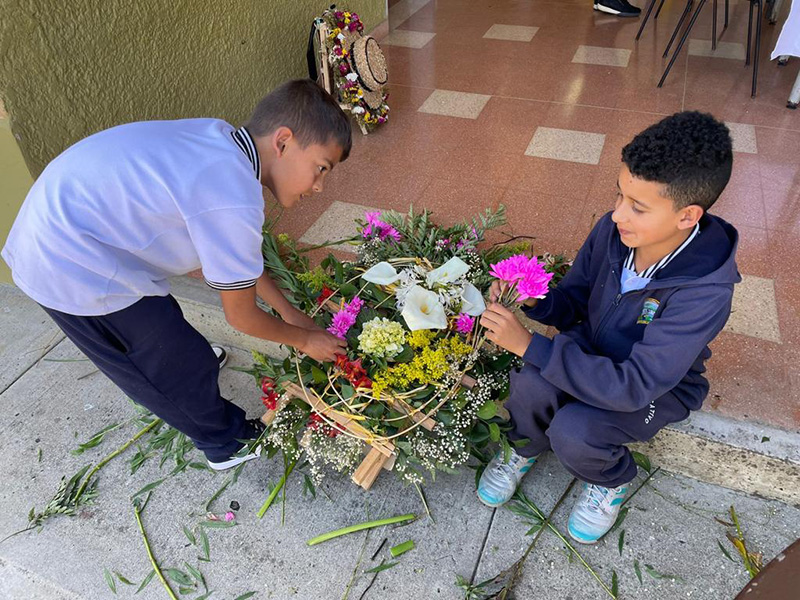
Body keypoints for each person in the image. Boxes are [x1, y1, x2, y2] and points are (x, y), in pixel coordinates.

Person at [1, 79, 349, 471]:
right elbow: (241, 317)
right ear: (283, 141)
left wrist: (288, 312)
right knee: (159, 361)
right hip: (67, 263)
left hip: (75, 228)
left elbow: (239, 262)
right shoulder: (231, 194)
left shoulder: (222, 140)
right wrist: (304, 339)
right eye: (320, 168)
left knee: (172, 342)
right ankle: (224, 442)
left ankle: (188, 369)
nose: (319, 186)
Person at [477, 111, 739, 544]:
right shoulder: (615, 232)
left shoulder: (703, 292)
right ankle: (522, 447)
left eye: (637, 207)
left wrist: (531, 345)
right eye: (619, 196)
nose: (618, 214)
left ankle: (610, 479)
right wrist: (536, 297)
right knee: (529, 385)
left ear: (687, 215)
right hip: (592, 347)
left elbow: (634, 385)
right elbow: (576, 301)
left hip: (651, 390)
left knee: (576, 431)